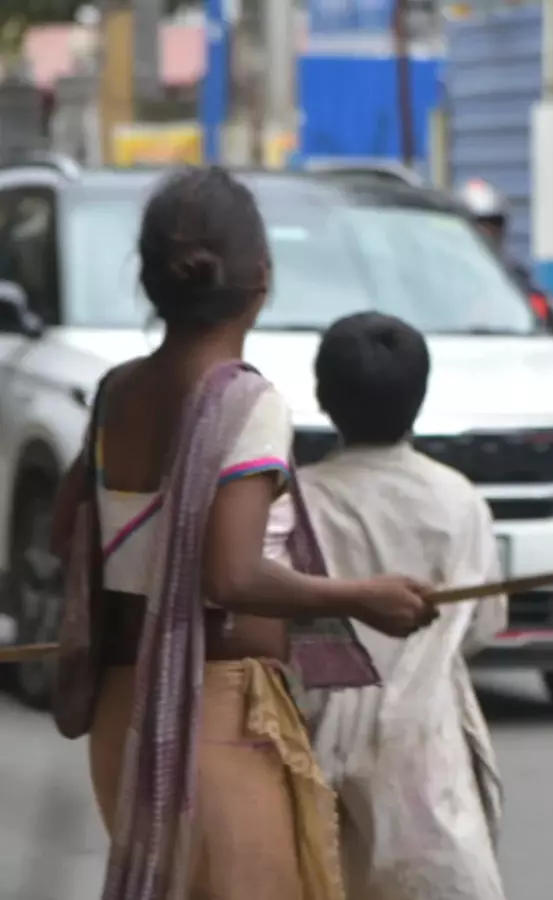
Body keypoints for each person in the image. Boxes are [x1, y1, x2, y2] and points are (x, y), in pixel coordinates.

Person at [48, 166, 438, 899]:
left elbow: (66, 532)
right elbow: (229, 577)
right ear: (262, 276)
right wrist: (363, 596)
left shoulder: (116, 392)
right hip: (213, 716)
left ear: (155, 277)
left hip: (122, 716)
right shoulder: (245, 401)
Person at [296, 312, 508, 900]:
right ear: (421, 395)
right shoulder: (459, 500)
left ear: (322, 396)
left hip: (310, 740)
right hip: (426, 744)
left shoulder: (298, 500)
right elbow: (485, 623)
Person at [459, 177, 539, 294]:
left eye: (494, 224)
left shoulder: (514, 274)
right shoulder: (447, 274)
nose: (488, 232)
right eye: (481, 224)